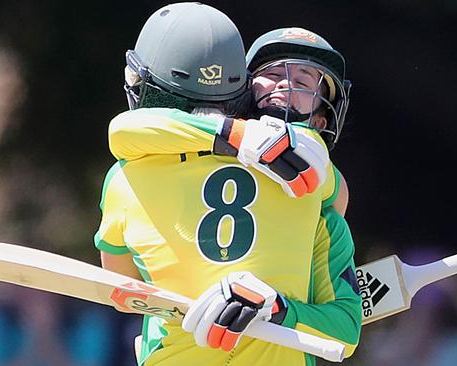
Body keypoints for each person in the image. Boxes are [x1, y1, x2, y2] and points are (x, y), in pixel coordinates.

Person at [95, 3, 360, 365]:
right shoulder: (315, 192)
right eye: (275, 73)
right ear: (241, 87)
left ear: (321, 116)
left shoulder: (126, 175)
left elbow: (121, 281)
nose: (287, 83)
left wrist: (277, 308)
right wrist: (239, 134)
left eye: (304, 81)